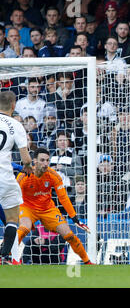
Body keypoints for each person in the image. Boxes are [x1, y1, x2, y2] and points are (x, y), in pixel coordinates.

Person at [16, 148, 93, 265]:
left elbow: (63, 198)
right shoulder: (23, 176)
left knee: (69, 235)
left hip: (48, 209)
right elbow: (14, 195)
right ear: (34, 161)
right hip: (28, 207)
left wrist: (74, 217)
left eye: (47, 160)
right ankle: (6, 256)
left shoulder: (53, 175)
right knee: (24, 228)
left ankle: (88, 262)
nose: (46, 164)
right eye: (42, 160)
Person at [0, 91, 33, 264]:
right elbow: (26, 158)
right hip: (4, 178)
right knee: (12, 219)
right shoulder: (15, 125)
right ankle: (4, 256)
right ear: (13, 105)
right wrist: (28, 167)